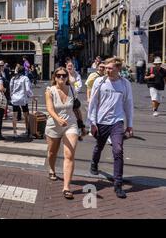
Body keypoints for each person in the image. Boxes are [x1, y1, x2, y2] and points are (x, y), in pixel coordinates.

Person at [88, 57, 134, 199]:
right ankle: (94, 163)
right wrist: (92, 122)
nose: (107, 70)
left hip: (117, 122)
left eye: (110, 68)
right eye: (106, 68)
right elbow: (93, 103)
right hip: (101, 121)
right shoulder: (99, 81)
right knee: (99, 146)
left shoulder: (125, 84)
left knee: (118, 150)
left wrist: (130, 125)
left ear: (118, 69)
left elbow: (128, 104)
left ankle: (118, 184)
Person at [45, 67, 84, 200]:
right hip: (54, 125)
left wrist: (82, 125)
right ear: (54, 77)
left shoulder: (72, 90)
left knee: (70, 154)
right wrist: (58, 119)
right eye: (58, 75)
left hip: (70, 124)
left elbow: (77, 108)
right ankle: (52, 169)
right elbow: (49, 109)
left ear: (67, 77)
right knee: (52, 152)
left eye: (64, 76)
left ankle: (66, 187)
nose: (61, 78)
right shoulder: (50, 91)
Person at [10, 65, 33, 137]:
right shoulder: (25, 78)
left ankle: (14, 132)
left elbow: (10, 89)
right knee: (26, 115)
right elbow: (28, 89)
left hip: (15, 99)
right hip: (23, 99)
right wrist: (31, 96)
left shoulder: (13, 78)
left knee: (14, 116)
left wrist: (12, 96)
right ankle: (27, 130)